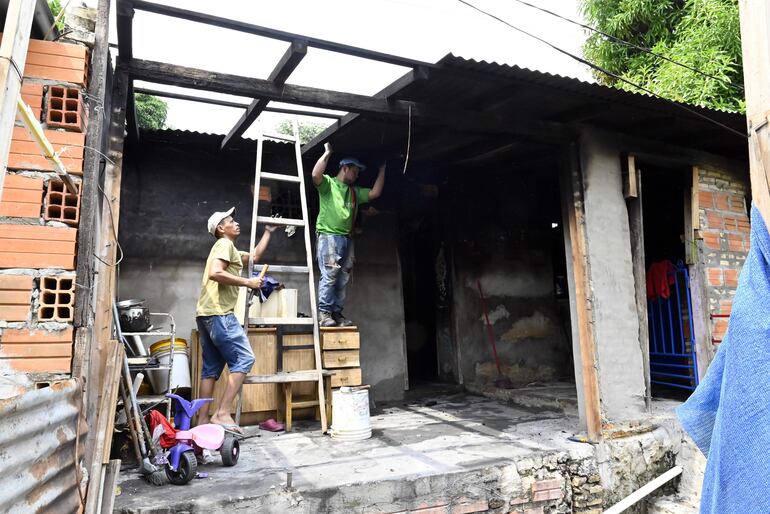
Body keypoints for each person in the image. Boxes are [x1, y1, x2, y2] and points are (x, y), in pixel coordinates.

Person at [195, 207, 276, 433]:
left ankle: (202, 421)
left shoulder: (228, 249)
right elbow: (215, 272)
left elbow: (254, 256)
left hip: (205, 314)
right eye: (231, 221)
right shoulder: (224, 245)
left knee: (211, 368)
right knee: (245, 358)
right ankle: (222, 413)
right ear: (221, 228)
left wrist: (268, 231)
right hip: (219, 313)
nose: (236, 223)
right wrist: (248, 283)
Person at [312, 143, 385, 327]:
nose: (357, 175)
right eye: (355, 171)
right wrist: (327, 154)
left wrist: (382, 170)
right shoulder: (329, 184)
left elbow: (375, 193)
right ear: (345, 169)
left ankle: (336, 313)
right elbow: (315, 175)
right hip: (329, 236)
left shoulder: (354, 192)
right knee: (330, 274)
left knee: (343, 277)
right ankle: (324, 313)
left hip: (346, 239)